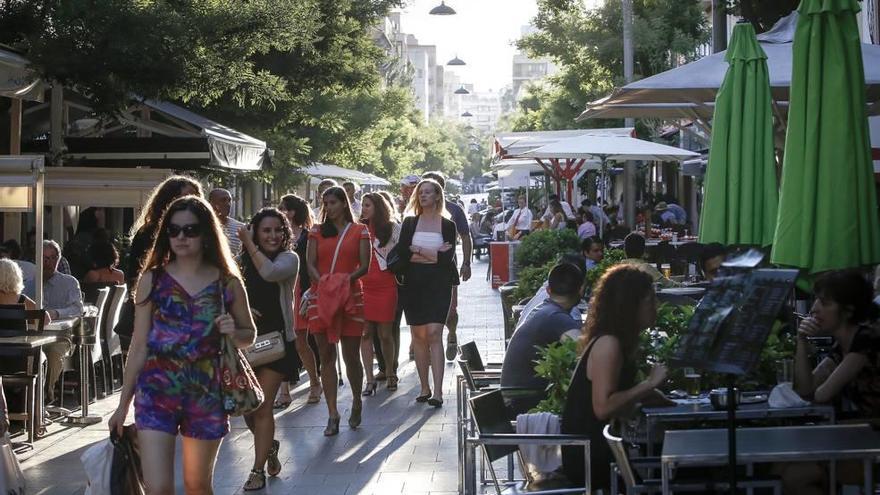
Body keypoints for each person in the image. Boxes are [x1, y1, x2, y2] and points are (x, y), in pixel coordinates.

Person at [108, 195, 256, 495]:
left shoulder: (227, 282)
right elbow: (138, 346)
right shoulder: (153, 279)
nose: (180, 237)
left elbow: (249, 335)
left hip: (206, 391)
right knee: (158, 488)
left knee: (198, 486)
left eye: (190, 230)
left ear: (206, 234)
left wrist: (233, 331)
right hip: (156, 390)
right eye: (173, 230)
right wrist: (122, 406)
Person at [561, 265, 674, 490]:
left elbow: (618, 396)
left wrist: (650, 395)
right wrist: (648, 384)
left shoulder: (617, 342)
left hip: (604, 449)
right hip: (590, 456)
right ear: (631, 305)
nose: (656, 306)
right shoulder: (608, 344)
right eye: (650, 300)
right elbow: (602, 407)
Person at [778, 270, 880, 494]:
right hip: (860, 438)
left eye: (824, 303)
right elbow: (805, 389)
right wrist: (802, 343)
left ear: (848, 309)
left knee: (796, 474)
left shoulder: (868, 338)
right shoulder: (841, 346)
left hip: (871, 441)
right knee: (791, 472)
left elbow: (822, 394)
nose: (814, 309)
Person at [236, 208, 299, 491]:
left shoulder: (289, 258)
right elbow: (227, 292)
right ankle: (269, 446)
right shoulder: (239, 262)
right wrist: (242, 309)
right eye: (266, 231)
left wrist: (249, 243)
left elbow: (270, 273)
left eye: (278, 230)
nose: (273, 236)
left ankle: (257, 470)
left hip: (277, 344)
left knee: (262, 407)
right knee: (249, 409)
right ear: (256, 231)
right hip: (245, 344)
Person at [306, 186, 370, 436]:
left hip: (350, 297)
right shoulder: (316, 231)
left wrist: (343, 281)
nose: (329, 207)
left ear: (344, 203)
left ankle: (356, 399)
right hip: (321, 297)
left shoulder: (360, 231)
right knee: (326, 355)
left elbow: (365, 265)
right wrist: (324, 283)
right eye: (326, 203)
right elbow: (310, 263)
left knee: (352, 356)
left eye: (333, 202)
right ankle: (332, 412)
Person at [119, 176, 204, 350]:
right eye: (185, 198)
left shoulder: (203, 235)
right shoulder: (149, 233)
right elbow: (138, 275)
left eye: (196, 198)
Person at [397, 178, 459, 408]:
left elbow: (445, 261)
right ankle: (424, 387)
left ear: (437, 196)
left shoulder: (447, 225)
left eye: (428, 192)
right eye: (420, 192)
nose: (423, 195)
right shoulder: (410, 223)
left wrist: (419, 250)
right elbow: (403, 255)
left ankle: (439, 391)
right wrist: (432, 253)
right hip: (413, 283)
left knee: (434, 333)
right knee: (419, 336)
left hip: (438, 284)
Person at [501, 263, 584, 411]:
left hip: (515, 398)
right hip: (525, 403)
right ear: (581, 290)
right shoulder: (556, 317)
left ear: (548, 290)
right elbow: (585, 353)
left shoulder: (546, 310)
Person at [420, 171, 472, 361]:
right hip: (422, 268)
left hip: (446, 267)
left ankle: (451, 334)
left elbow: (466, 237)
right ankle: (428, 342)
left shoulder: (454, 210)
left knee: (450, 309)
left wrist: (466, 263)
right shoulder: (418, 210)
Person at [276, 194, 322, 407]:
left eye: (282, 208)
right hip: (280, 292)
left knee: (301, 343)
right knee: (284, 342)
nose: (279, 211)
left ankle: (314, 381)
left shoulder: (308, 235)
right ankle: (284, 391)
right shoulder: (277, 236)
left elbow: (314, 265)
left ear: (291, 212)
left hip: (301, 291)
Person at [359, 193, 401, 394]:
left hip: (386, 285)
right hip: (363, 285)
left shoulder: (392, 228)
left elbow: (402, 252)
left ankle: (391, 372)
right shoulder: (359, 228)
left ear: (378, 207)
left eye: (367, 205)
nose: (364, 208)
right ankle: (369, 379)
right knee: (365, 333)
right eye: (363, 205)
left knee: (385, 334)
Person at [39, 240, 83, 404]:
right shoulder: (29, 284)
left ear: (58, 260)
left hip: (60, 336)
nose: (47, 262)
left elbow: (77, 309)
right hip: (34, 335)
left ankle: (44, 395)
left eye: (51, 258)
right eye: (43, 258)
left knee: (53, 353)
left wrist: (55, 313)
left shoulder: (69, 282)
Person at [208, 188, 246, 255]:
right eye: (223, 200)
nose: (228, 204)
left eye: (229, 200)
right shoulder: (203, 226)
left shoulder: (241, 228)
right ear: (211, 203)